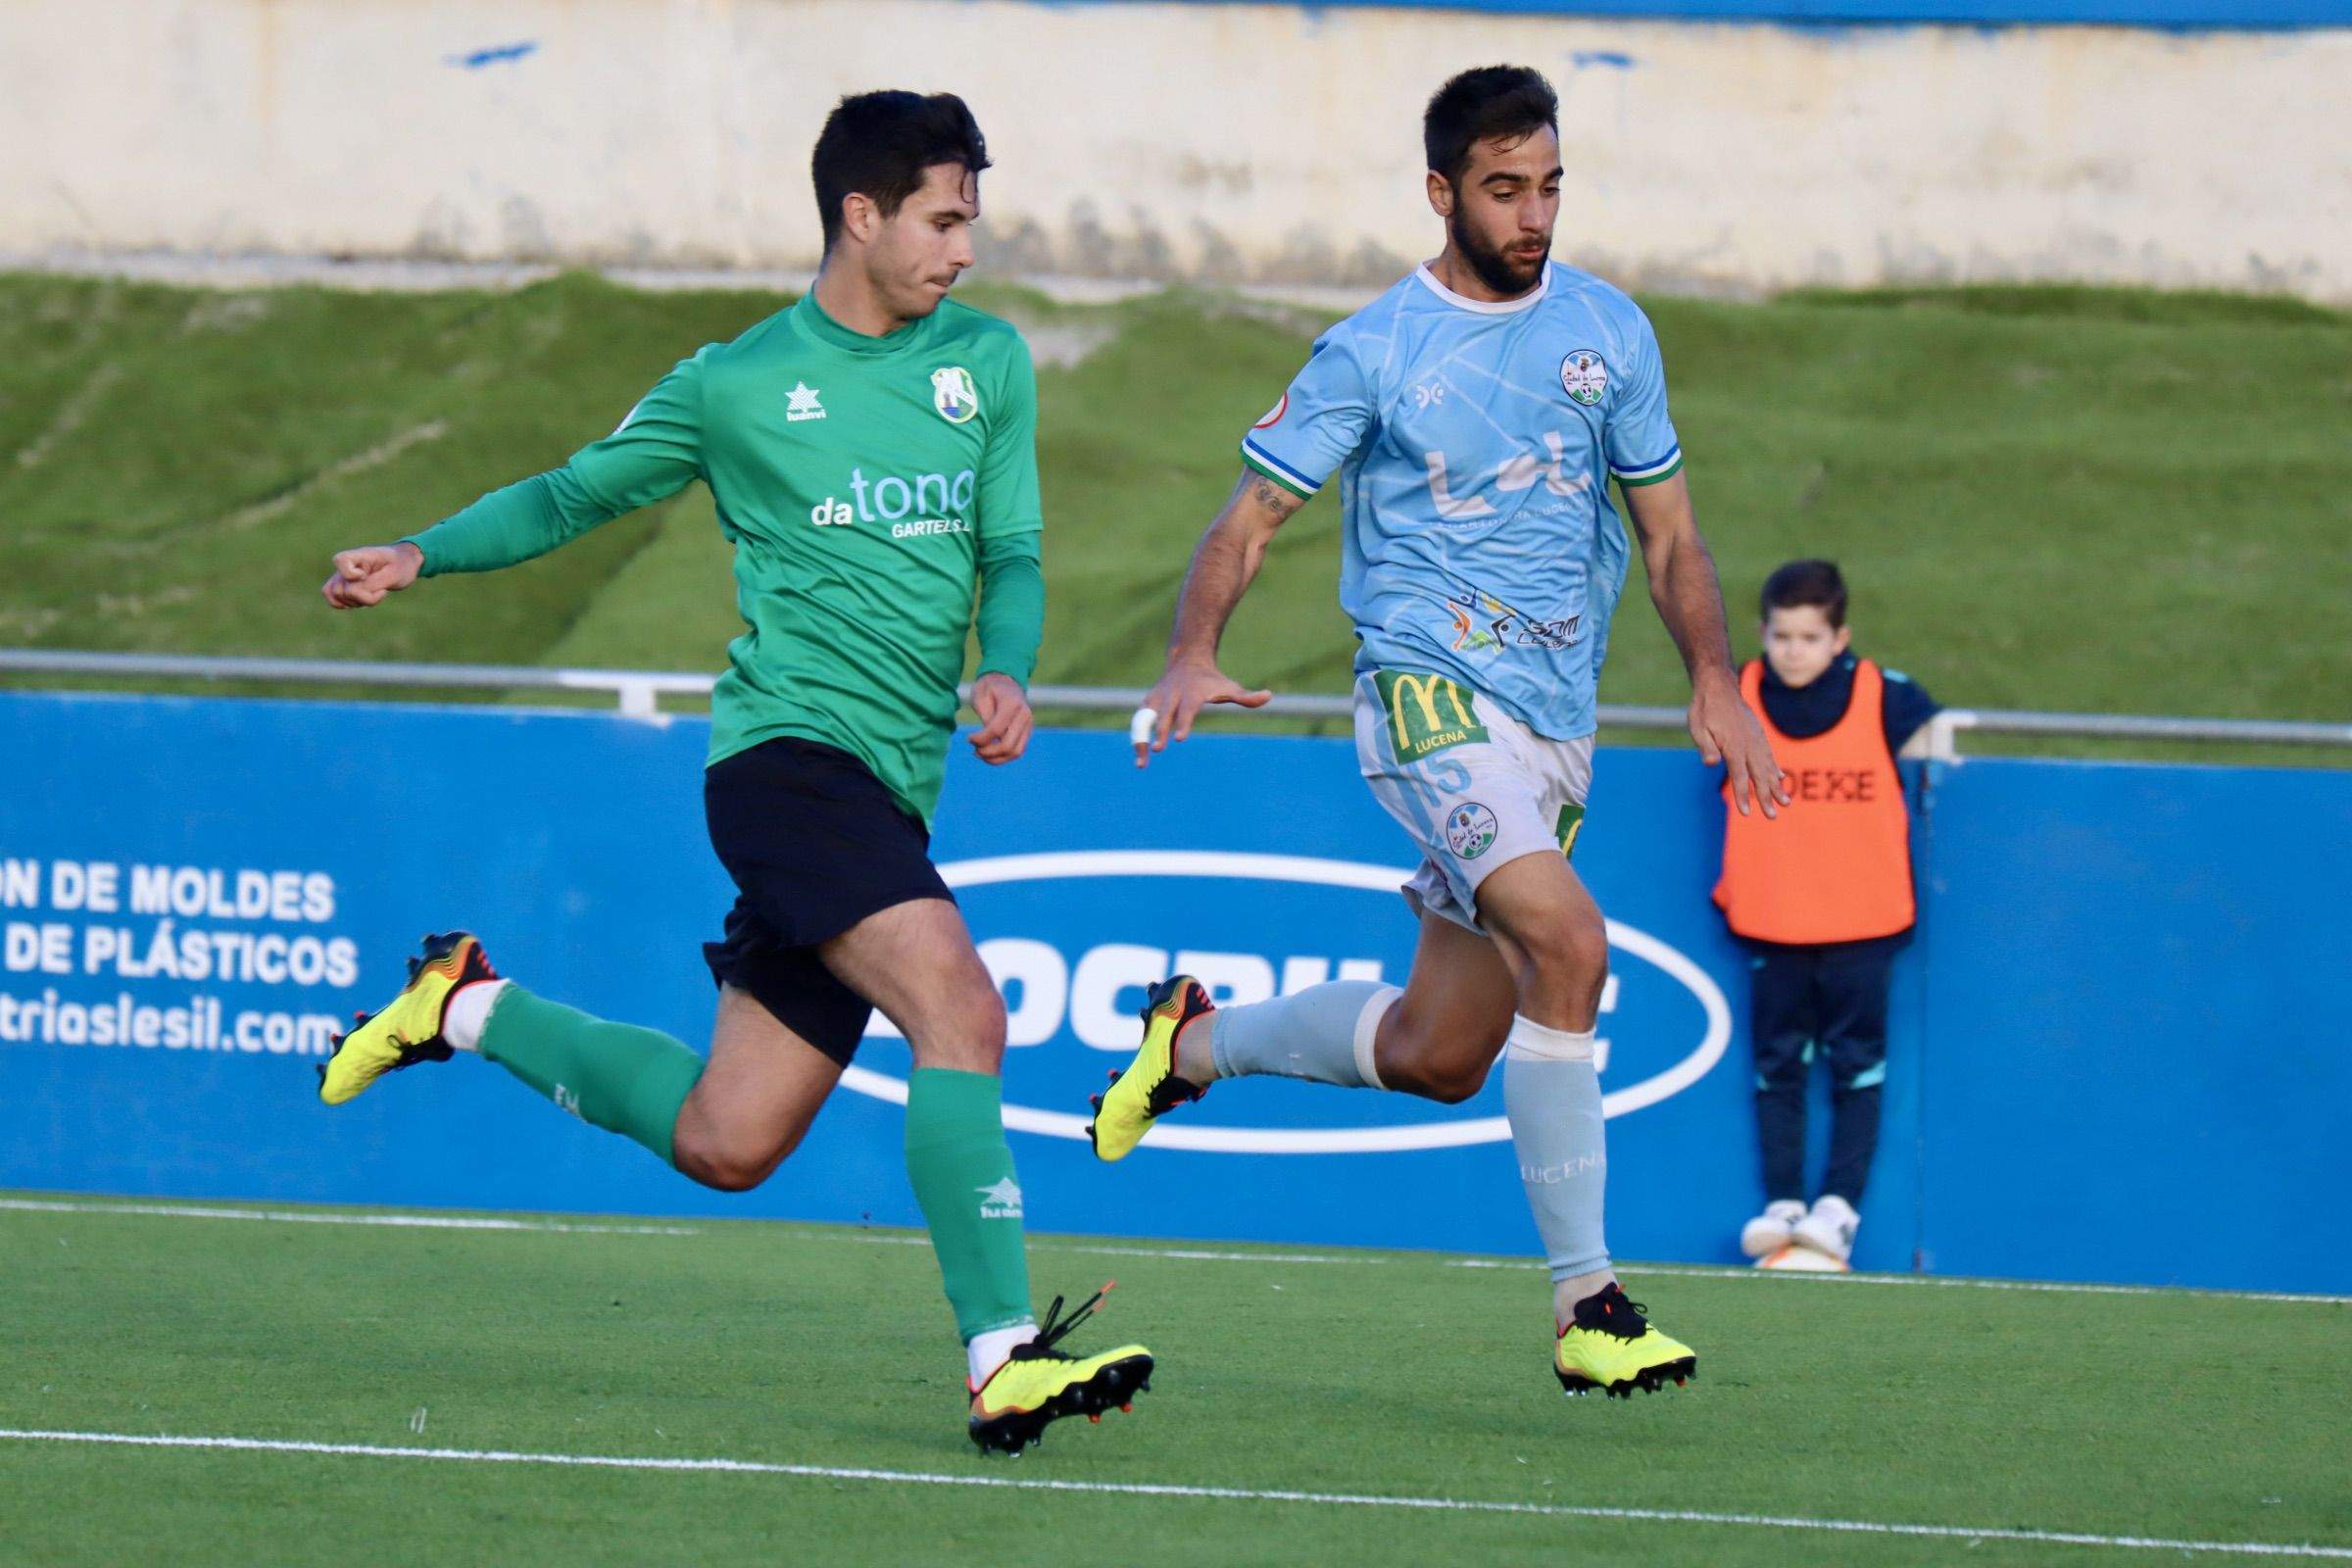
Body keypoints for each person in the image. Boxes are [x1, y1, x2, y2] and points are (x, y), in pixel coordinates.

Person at [310, 90, 1150, 1455]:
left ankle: (465, 1005)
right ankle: (1003, 1356)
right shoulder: (738, 383)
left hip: (888, 789)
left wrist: (1004, 664)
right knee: (966, 1014)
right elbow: (573, 494)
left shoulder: (987, 362)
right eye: (942, 220)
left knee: (728, 1140)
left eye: (972, 222)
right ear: (859, 216)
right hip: (783, 766)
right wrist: (423, 550)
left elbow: (1015, 555)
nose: (965, 250)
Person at [1103, 65, 1787, 1399]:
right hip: (1426, 693)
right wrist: (1194, 648)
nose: (1533, 215)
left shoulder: (1611, 333)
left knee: (1441, 1053)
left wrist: (1715, 673)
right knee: (1569, 944)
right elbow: (1245, 523)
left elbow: (1670, 535)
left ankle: (1189, 1041)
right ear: (1441, 192)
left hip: (1552, 719)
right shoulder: (1374, 350)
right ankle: (1589, 1307)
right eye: (1502, 188)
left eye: (1548, 187)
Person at [1716, 560, 1938, 1269]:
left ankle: (1837, 1212)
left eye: (1810, 637)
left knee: (1855, 1068)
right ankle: (1783, 1204)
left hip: (1862, 923)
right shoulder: (1735, 697)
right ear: (1763, 632)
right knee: (1777, 1067)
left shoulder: (1888, 699)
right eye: (1782, 635)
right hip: (1772, 919)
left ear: (1840, 636)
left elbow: (1944, 747)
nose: (1793, 650)